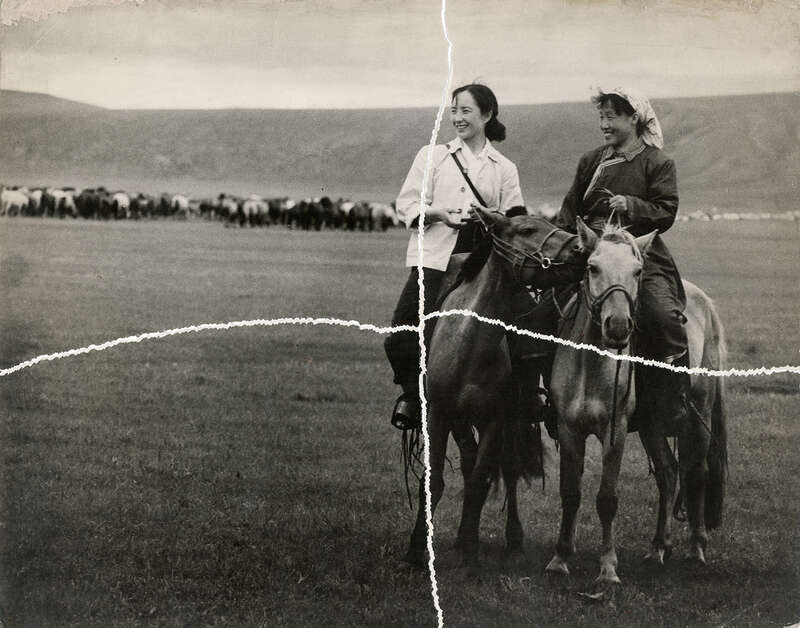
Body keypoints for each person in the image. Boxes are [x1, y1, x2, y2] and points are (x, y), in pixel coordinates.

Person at [527, 86, 688, 438]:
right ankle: (546, 400)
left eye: (611, 116)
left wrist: (632, 206)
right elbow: (570, 210)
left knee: (663, 317)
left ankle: (674, 400)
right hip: (591, 252)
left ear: (634, 118)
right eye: (601, 117)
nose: (604, 124)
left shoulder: (658, 162)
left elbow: (666, 212)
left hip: (638, 252)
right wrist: (561, 245)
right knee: (538, 317)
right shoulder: (591, 161)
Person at [384, 83, 524, 430]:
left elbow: (516, 218)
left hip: (485, 264)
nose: (458, 118)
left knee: (525, 326)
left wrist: (492, 218)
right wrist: (439, 214)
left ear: (486, 115)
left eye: (466, 111)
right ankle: (414, 397)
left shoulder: (504, 167)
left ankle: (524, 398)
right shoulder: (431, 156)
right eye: (454, 111)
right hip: (435, 260)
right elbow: (407, 204)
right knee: (402, 331)